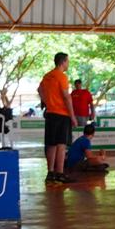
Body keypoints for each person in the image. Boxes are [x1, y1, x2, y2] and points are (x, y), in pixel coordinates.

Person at [38, 52, 78, 184]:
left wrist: (47, 102)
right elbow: (66, 97)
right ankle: (60, 172)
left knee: (51, 144)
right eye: (68, 61)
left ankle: (50, 172)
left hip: (50, 113)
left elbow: (39, 89)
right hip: (62, 114)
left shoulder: (48, 76)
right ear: (63, 62)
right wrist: (72, 116)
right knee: (61, 144)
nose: (68, 64)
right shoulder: (61, 76)